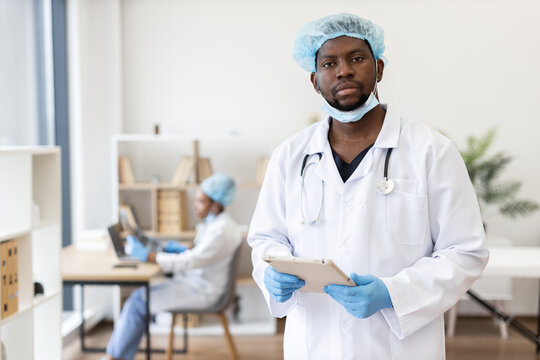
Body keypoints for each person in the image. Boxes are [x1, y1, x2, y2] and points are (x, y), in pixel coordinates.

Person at [247, 13, 489, 359]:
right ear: (315, 81)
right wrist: (274, 270)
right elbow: (265, 238)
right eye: (329, 63)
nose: (343, 70)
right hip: (315, 343)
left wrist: (393, 293)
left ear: (379, 68)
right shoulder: (290, 155)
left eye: (356, 58)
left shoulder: (431, 151)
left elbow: (465, 251)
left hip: (398, 347)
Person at [103, 173, 242, 360]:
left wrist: (149, 256)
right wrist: (178, 249)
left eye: (201, 202)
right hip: (197, 283)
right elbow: (200, 255)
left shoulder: (221, 231)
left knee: (137, 302)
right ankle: (117, 356)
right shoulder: (219, 224)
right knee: (139, 300)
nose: (195, 205)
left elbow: (191, 261)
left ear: (216, 205)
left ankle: (114, 358)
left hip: (203, 291)